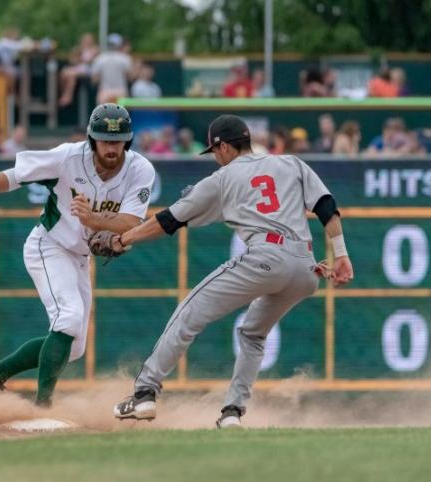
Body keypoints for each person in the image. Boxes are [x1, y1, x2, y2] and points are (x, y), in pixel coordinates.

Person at [109, 114, 354, 428]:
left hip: (267, 256)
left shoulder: (221, 179)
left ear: (222, 146)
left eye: (214, 152)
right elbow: (326, 206)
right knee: (253, 334)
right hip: (306, 268)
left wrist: (121, 240)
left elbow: (167, 221)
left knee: (189, 311)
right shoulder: (290, 163)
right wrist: (342, 255)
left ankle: (145, 392)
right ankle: (232, 413)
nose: (215, 159)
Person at [0, 104, 155, 406]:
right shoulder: (68, 157)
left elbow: (132, 222)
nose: (111, 146)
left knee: (74, 347)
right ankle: (42, 404)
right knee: (68, 319)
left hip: (80, 257)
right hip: (49, 246)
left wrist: (94, 220)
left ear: (128, 140)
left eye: (118, 140)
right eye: (104, 139)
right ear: (91, 138)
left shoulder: (140, 169)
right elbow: (16, 175)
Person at [91, 33, 133, 104]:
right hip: (121, 92)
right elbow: (130, 77)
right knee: (120, 114)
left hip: (105, 92)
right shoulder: (125, 58)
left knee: (103, 114)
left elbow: (95, 79)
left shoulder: (100, 58)